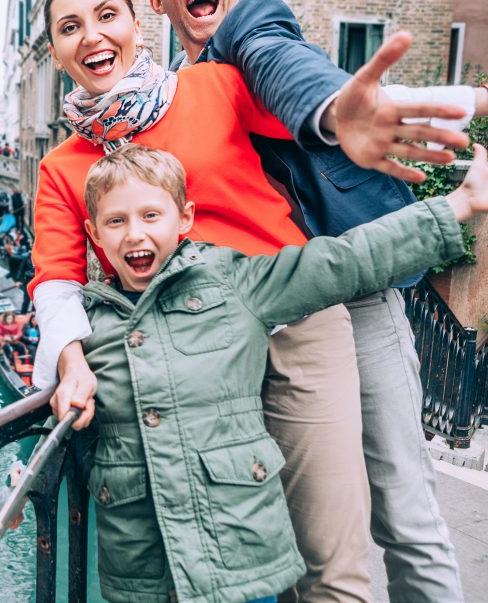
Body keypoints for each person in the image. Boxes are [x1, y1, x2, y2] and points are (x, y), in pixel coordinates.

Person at [29, 0, 484, 603]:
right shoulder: (61, 166)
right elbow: (56, 279)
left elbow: (310, 111)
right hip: (186, 355)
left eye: (107, 15)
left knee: (330, 557)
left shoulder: (212, 86)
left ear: (138, 21)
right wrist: (71, 361)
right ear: (55, 51)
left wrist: (351, 111)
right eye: (70, 27)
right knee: (237, 555)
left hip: (289, 321)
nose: (92, 36)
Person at [78, 144, 488, 603]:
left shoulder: (235, 282)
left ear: (185, 218)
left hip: (242, 560)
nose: (135, 234)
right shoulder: (85, 329)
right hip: (141, 578)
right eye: (117, 222)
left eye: (150, 216)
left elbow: (344, 260)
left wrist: (459, 204)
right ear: (95, 231)